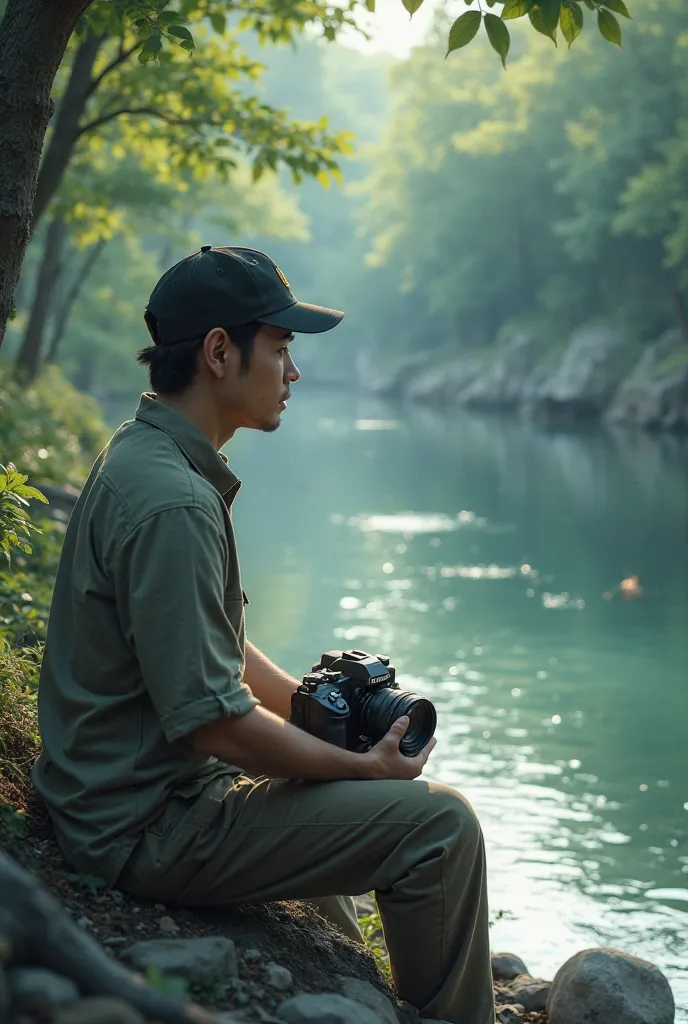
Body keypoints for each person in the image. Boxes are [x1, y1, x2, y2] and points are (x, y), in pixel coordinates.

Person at [33, 245, 495, 1024]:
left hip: (119, 794)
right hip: (144, 825)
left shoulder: (144, 451)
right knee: (441, 827)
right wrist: (369, 774)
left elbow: (208, 643)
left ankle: (367, 994)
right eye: (279, 348)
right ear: (220, 352)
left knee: (332, 814)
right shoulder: (174, 502)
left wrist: (324, 721)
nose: (293, 371)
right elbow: (213, 719)